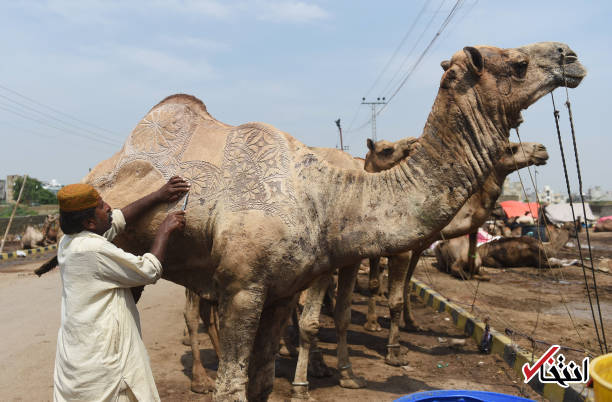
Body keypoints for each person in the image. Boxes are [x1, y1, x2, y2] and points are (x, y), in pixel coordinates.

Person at [53, 176, 190, 402]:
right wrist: (164, 230)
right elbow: (148, 271)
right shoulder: (93, 249)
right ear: (89, 223)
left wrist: (158, 195)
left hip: (78, 359)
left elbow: (118, 219)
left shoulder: (69, 242)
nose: (108, 207)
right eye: (100, 207)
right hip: (103, 361)